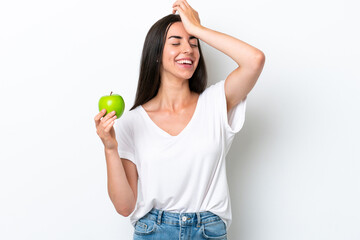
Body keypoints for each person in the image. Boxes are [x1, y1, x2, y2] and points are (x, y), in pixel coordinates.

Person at [94, 0, 265, 239]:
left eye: (193, 43)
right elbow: (125, 206)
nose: (188, 49)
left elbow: (254, 60)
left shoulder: (215, 103)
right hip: (153, 231)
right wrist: (110, 148)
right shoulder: (133, 122)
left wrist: (197, 28)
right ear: (155, 55)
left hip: (209, 230)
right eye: (176, 42)